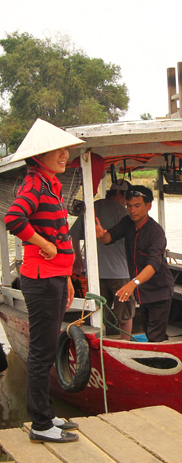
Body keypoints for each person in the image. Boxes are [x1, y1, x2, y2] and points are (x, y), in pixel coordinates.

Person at [4, 118, 84, 443]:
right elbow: (13, 218)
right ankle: (40, 424)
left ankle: (47, 415)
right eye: (57, 150)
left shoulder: (50, 184)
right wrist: (43, 244)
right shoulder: (34, 183)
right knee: (41, 351)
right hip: (40, 279)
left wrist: (66, 276)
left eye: (65, 148)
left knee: (46, 349)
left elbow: (60, 232)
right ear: (39, 156)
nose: (64, 154)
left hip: (54, 277)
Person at [95, 185, 174, 342]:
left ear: (148, 206)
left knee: (155, 336)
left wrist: (133, 283)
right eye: (129, 206)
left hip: (159, 291)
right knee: (150, 332)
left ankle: (158, 361)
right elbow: (110, 237)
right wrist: (101, 235)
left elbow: (153, 264)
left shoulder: (156, 232)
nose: (132, 210)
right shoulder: (128, 223)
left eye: (137, 206)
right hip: (142, 292)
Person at [70, 180, 136, 339]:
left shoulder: (93, 208)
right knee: (125, 313)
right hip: (121, 273)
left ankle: (101, 346)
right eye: (128, 197)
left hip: (95, 273)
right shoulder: (124, 212)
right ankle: (125, 345)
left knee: (99, 314)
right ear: (121, 194)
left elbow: (73, 234)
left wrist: (78, 258)